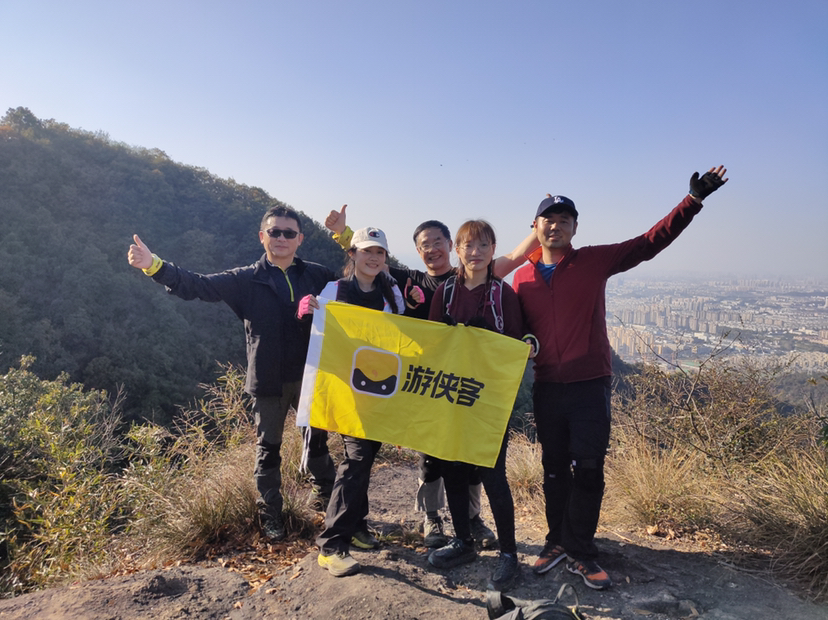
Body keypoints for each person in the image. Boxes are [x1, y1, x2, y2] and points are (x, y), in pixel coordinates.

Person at [512, 166, 729, 590]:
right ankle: (557, 541)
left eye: (564, 220)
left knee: (589, 468)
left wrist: (692, 201)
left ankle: (581, 550)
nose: (555, 226)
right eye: (548, 219)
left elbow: (648, 243)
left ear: (575, 228)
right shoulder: (521, 277)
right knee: (553, 469)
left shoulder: (593, 261)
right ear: (534, 227)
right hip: (547, 385)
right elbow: (514, 327)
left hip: (590, 383)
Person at [325, 205, 538, 549]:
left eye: (438, 241)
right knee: (434, 458)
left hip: (478, 390)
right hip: (435, 384)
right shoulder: (418, 281)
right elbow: (372, 261)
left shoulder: (487, 283)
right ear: (419, 249)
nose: (432, 249)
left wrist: (539, 227)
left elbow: (514, 260)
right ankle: (434, 518)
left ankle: (473, 521)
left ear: (450, 245)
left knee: (476, 464)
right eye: (424, 244)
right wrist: (343, 234)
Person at [126, 205, 338, 541]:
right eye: (274, 232)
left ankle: (326, 497)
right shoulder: (246, 279)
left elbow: (358, 287)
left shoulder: (319, 275)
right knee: (268, 450)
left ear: (300, 239)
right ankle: (271, 515)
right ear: (262, 236)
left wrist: (345, 236)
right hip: (267, 379)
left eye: (288, 233)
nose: (281, 238)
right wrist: (154, 266)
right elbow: (198, 285)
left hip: (311, 376)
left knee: (317, 442)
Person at [426, 220, 534, 592]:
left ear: (493, 250)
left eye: (483, 245)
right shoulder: (446, 292)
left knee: (492, 475)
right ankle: (463, 541)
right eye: (468, 246)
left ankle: (509, 553)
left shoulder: (503, 295)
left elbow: (516, 345)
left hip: (488, 401)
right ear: (457, 250)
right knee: (453, 469)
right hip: (451, 396)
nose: (475, 253)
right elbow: (432, 343)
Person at [298, 227, 406, 577]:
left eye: (379, 253)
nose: (373, 258)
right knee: (357, 459)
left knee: (365, 458)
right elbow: (318, 332)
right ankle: (332, 545)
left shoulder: (392, 293)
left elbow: (403, 336)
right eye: (366, 251)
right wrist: (308, 313)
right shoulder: (336, 290)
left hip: (379, 390)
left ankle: (358, 526)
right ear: (353, 254)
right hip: (345, 390)